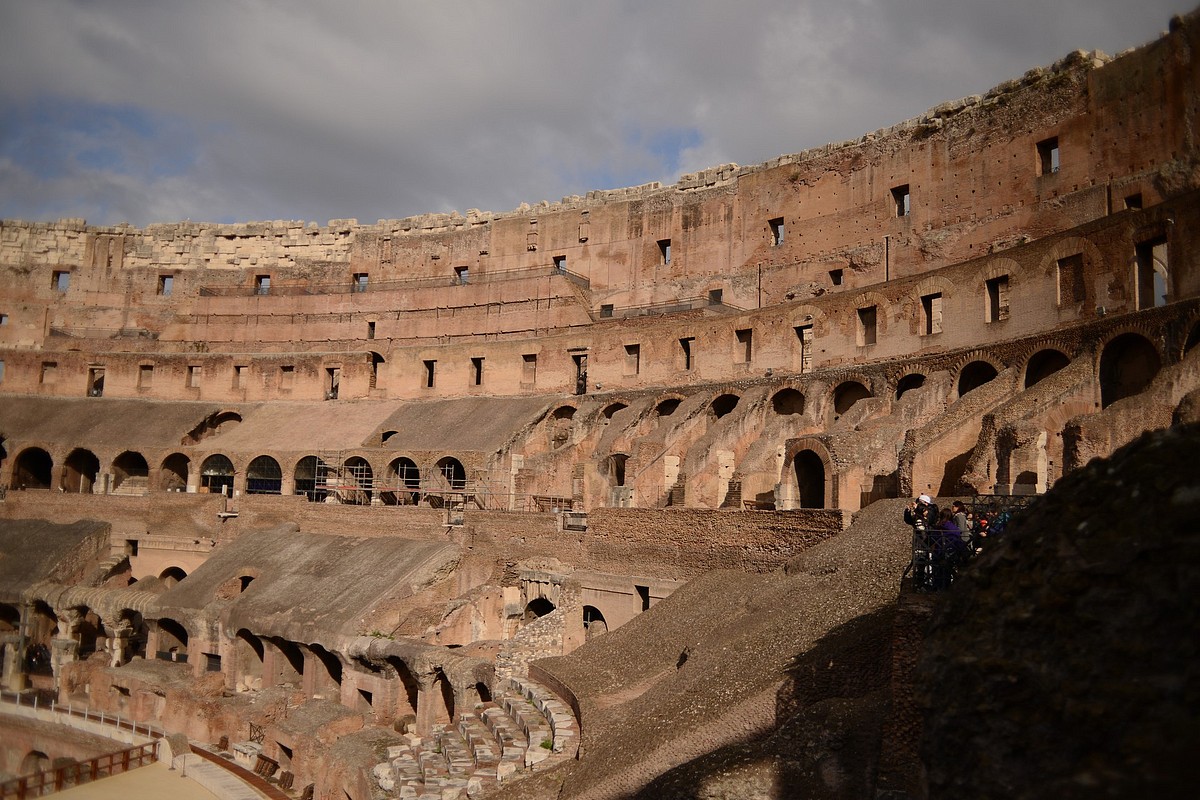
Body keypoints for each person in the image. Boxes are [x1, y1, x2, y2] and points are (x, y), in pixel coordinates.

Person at [905, 494, 939, 591]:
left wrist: (917, 508)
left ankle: (928, 584)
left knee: (929, 563)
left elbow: (929, 519)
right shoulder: (919, 514)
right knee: (920, 563)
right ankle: (920, 584)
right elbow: (910, 521)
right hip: (920, 542)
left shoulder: (931, 511)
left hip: (928, 540)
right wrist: (907, 511)